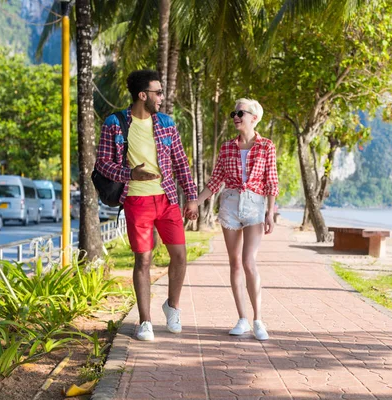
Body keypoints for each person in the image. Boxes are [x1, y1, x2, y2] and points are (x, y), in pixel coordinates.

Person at [95, 69, 198, 341]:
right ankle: (145, 321)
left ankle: (172, 307)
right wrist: (130, 174)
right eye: (158, 92)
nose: (162, 98)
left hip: (167, 199)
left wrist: (192, 196)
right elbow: (102, 163)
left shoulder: (167, 123)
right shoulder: (115, 123)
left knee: (180, 255)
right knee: (144, 259)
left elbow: (180, 162)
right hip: (136, 200)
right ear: (143, 95)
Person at [195, 98, 279, 341]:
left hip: (255, 204)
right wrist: (197, 202)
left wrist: (270, 213)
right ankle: (242, 318)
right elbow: (216, 180)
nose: (236, 116)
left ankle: (258, 319)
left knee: (249, 261)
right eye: (234, 113)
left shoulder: (266, 146)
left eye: (240, 113)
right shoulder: (227, 147)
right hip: (230, 203)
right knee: (234, 263)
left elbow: (271, 181)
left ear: (254, 117)